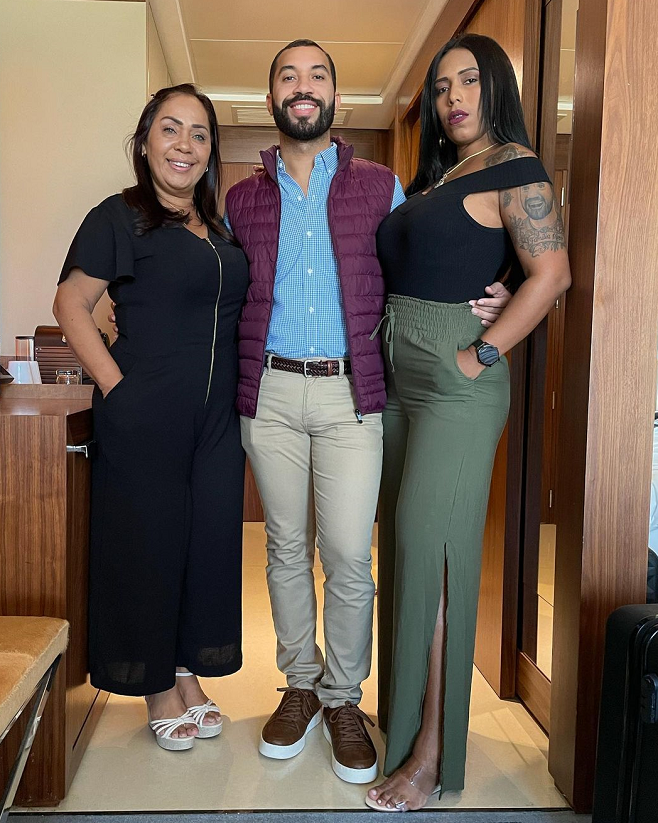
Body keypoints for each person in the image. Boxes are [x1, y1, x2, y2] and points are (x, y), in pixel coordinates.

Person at [223, 39, 512, 784]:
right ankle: (300, 685)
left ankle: (345, 697)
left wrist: (501, 287)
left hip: (356, 390)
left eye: (317, 75)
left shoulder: (383, 186)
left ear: (336, 100)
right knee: (287, 547)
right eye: (288, 75)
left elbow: (431, 262)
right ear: (272, 100)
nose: (303, 86)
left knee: (350, 552)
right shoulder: (240, 198)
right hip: (272, 391)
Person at [366, 34, 572, 812]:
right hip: (397, 372)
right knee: (405, 549)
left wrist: (479, 354)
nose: (454, 97)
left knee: (437, 555)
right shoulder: (439, 176)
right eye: (442, 86)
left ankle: (431, 754)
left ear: (497, 90)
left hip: (454, 376)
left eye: (470, 82)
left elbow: (553, 271)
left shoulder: (515, 164)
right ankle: (407, 725)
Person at [53, 84, 249, 751]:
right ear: (145, 142)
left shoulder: (219, 228)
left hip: (217, 424)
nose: (184, 146)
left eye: (198, 134)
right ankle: (157, 684)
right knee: (151, 549)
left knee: (207, 546)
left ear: (210, 151)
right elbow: (72, 303)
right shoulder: (119, 216)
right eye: (170, 130)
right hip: (146, 414)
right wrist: (117, 387)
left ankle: (189, 671)